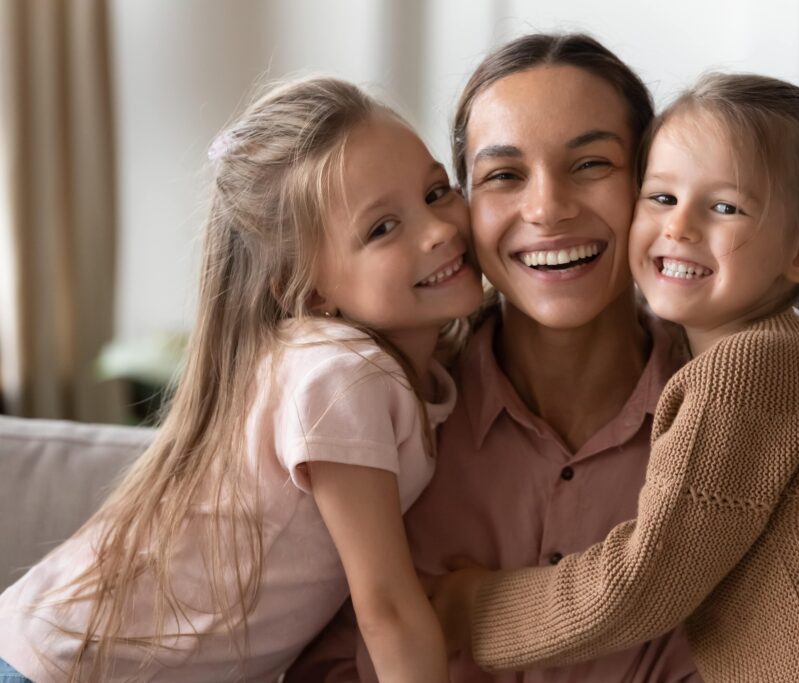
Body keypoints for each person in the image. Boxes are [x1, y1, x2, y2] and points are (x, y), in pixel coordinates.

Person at [428, 73, 799, 682]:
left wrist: (471, 606)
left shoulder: (751, 370)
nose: (681, 228)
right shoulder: (772, 360)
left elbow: (643, 581)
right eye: (663, 198)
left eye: (724, 207)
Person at [0, 76, 483, 683]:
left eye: (438, 191)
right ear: (310, 293)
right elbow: (386, 608)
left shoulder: (401, 368)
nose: (438, 229)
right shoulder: (342, 376)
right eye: (382, 228)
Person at [287, 34, 702, 682]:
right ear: (464, 206)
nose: (548, 208)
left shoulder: (730, 421)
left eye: (591, 163)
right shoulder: (384, 420)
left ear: (651, 184)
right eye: (504, 175)